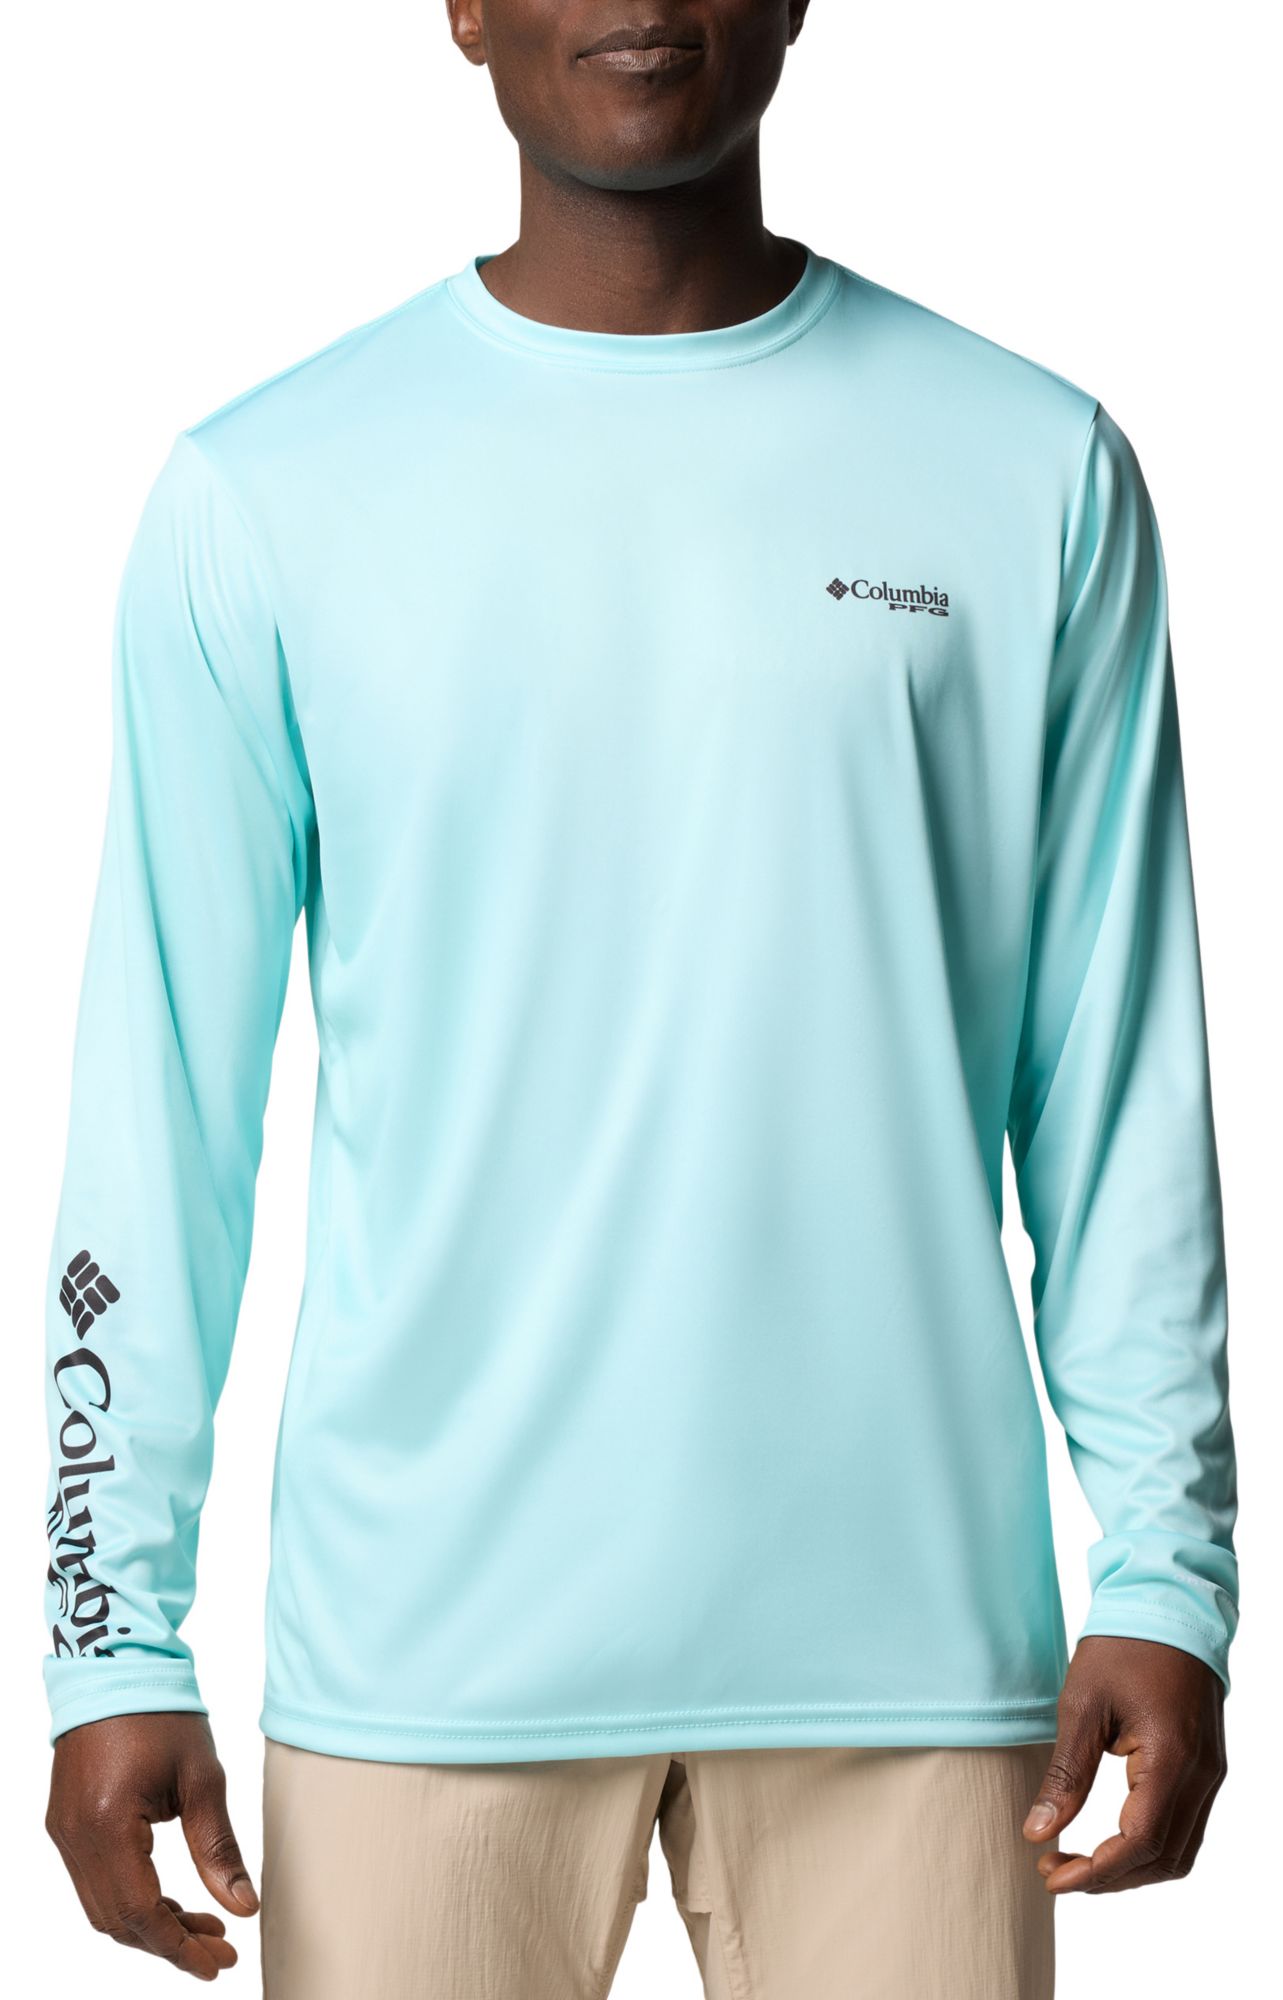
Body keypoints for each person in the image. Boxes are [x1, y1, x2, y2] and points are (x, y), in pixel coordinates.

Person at [41, 4, 1236, 1995]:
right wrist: (108, 1635)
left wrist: (1172, 1577)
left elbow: (1118, 1086)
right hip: (425, 1660)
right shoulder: (270, 493)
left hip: (914, 1664)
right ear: (462, 6)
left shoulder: (1032, 469)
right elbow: (158, 1112)